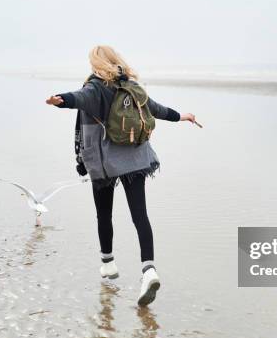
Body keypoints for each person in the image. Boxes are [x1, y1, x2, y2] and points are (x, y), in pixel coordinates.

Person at [46, 45, 197, 306]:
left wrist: (60, 100)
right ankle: (149, 270)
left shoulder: (95, 88)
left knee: (104, 213)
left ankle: (108, 263)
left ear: (95, 64)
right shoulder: (131, 86)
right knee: (140, 215)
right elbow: (156, 109)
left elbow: (77, 98)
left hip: (105, 164)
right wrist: (182, 116)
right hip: (137, 158)